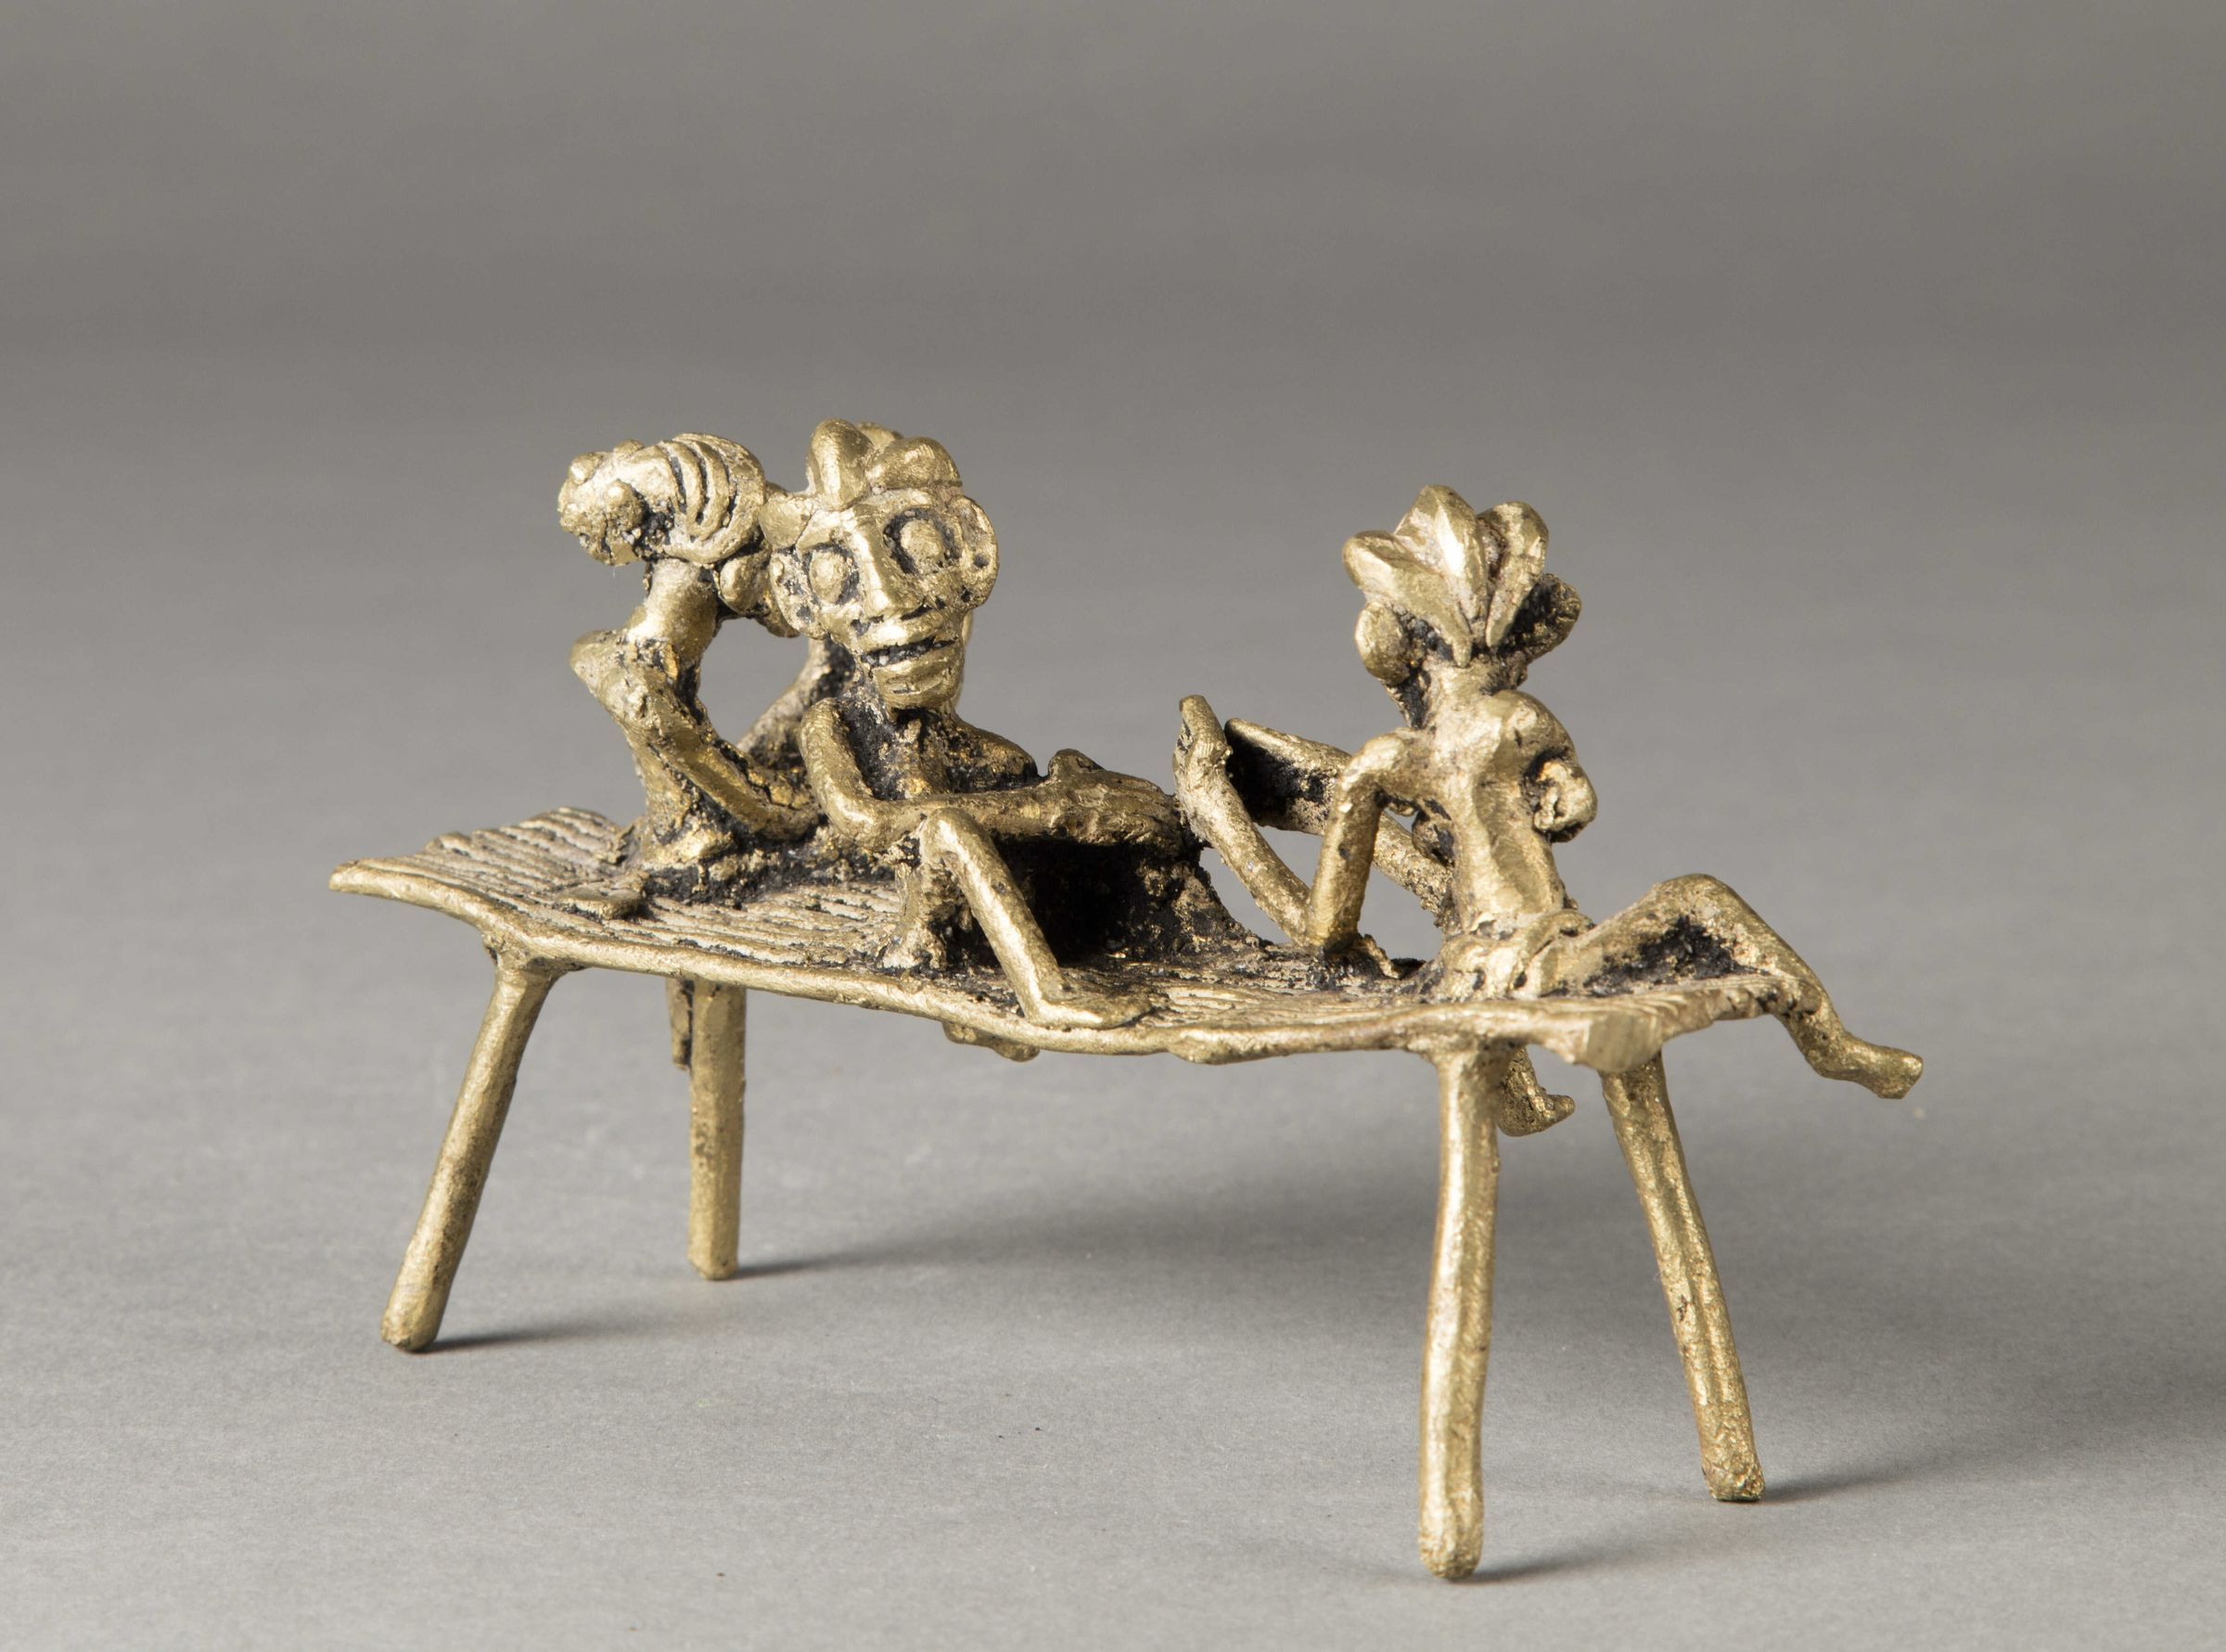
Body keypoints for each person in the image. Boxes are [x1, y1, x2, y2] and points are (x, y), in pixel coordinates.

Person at [1176, 483, 1922, 1100]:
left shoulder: (1386, 762)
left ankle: (1519, 1097)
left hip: (1475, 969)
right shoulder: (1515, 721)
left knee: (1662, 911)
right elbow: (1574, 805)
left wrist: (1243, 830)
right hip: (1536, 964)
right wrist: (1553, 794)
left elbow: (1324, 935)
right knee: (1701, 898)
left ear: (1392, 648)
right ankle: (1831, 1044)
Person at [766, 419, 1220, 1029]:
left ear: (973, 550)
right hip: (926, 926)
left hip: (1023, 906)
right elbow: (865, 823)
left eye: (917, 546)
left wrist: (1080, 800)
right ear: (804, 598)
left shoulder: (988, 755)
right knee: (950, 828)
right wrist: (1048, 808)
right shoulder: (833, 724)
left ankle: (1189, 933)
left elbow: (1032, 808)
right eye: (836, 570)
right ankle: (1045, 995)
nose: (891, 598)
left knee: (1089, 784)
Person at [556, 432, 842, 904]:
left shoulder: (644, 643)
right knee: (635, 687)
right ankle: (686, 835)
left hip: (706, 799)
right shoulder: (644, 660)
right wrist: (778, 809)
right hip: (698, 810)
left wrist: (781, 810)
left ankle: (688, 836)